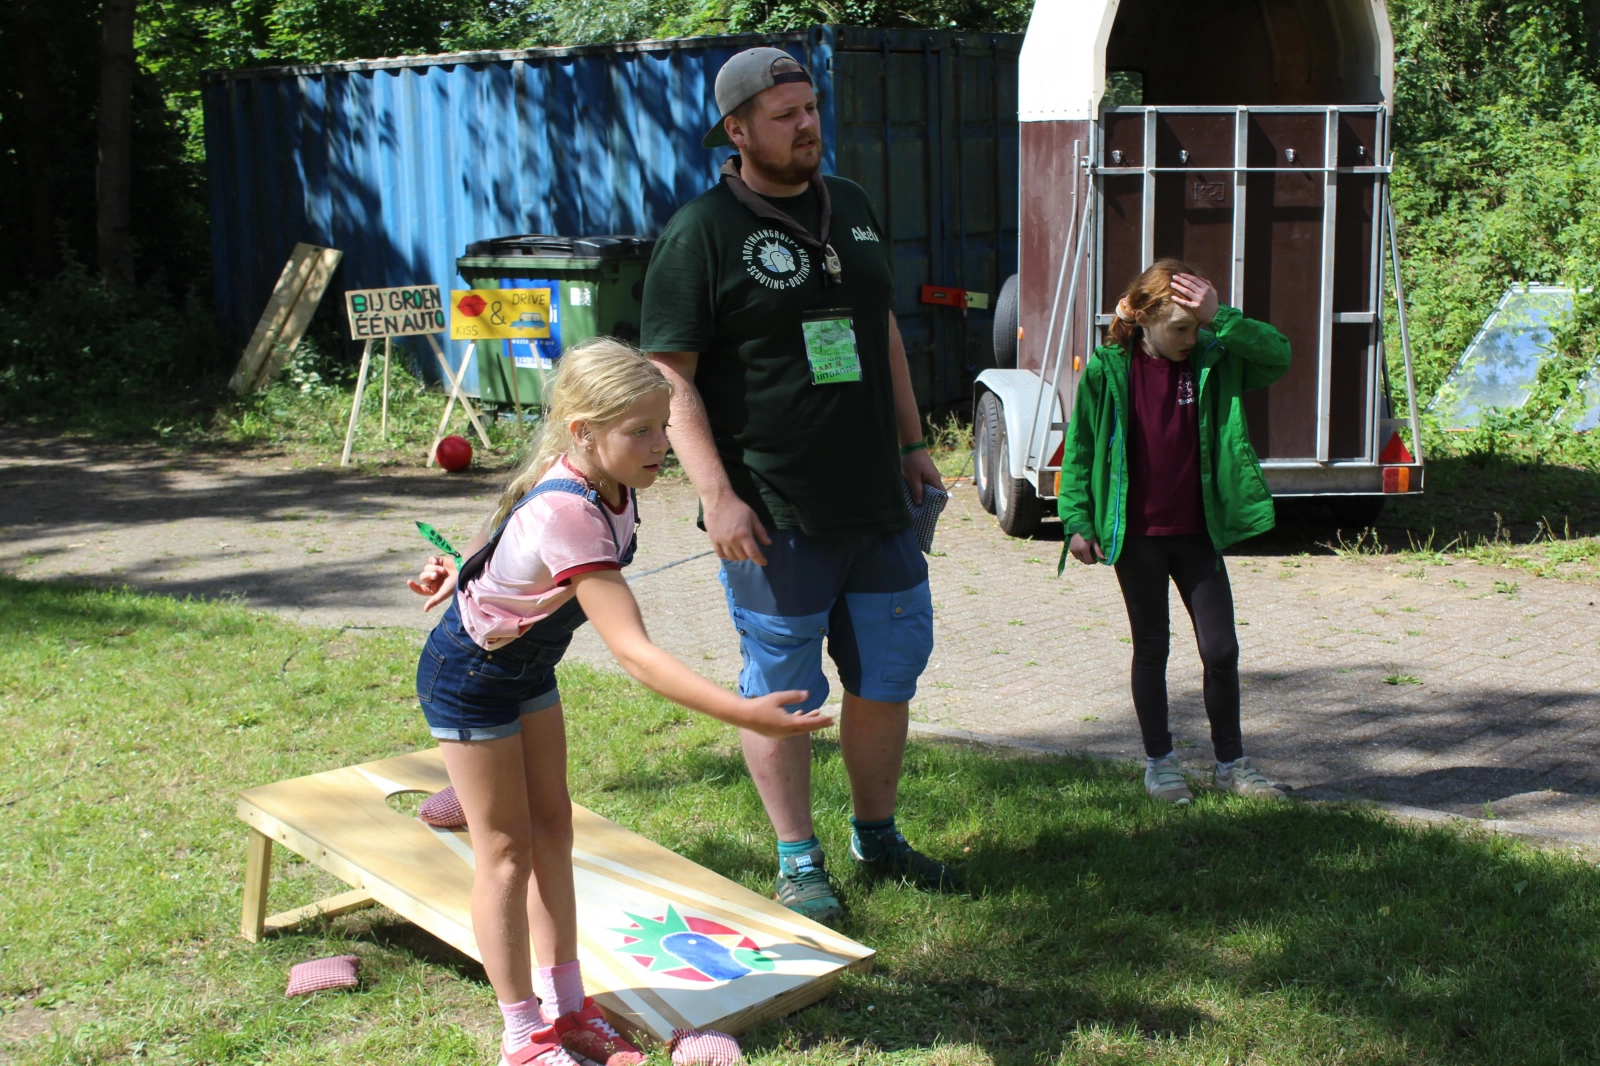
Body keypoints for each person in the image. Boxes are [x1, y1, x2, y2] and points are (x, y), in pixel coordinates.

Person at [407, 339, 830, 1066]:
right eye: (641, 431)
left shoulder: (603, 476)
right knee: (505, 853)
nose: (661, 445)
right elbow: (633, 651)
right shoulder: (570, 509)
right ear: (583, 431)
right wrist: (744, 712)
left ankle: (570, 1010)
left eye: (663, 426)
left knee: (553, 829)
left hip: (526, 667)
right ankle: (524, 1038)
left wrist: (463, 563)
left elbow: (505, 519)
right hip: (470, 674)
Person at [640, 47, 959, 923]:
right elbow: (670, 375)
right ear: (737, 131)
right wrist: (716, 495)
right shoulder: (701, 231)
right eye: (784, 116)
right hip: (773, 509)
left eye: (810, 108)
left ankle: (877, 835)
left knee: (888, 675)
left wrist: (912, 442)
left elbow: (880, 327)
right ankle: (797, 858)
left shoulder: (848, 204)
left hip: (877, 501)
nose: (806, 125)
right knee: (781, 688)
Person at [1058, 259, 1291, 805]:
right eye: (1181, 328)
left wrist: (1220, 317)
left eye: (1196, 327)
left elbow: (1277, 356)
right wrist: (1077, 520)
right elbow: (1081, 448)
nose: (1191, 338)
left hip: (1198, 534)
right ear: (1142, 319)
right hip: (1137, 537)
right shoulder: (1108, 369)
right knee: (1152, 648)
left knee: (1221, 650)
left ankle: (1231, 765)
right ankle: (1160, 765)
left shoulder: (1215, 356)